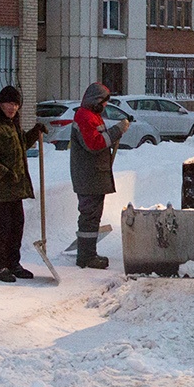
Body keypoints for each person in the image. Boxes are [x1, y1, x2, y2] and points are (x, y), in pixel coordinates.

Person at [0, 85, 45, 282]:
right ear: (0, 104)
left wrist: (34, 133)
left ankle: (13, 263)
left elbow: (20, 146)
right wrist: (2, 172)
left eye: (15, 104)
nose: (12, 108)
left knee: (17, 225)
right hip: (0, 187)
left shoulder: (11, 124)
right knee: (2, 228)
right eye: (8, 104)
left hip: (15, 186)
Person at [68, 82, 128, 269]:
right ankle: (86, 257)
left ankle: (88, 253)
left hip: (93, 175)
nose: (105, 107)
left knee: (92, 216)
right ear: (96, 101)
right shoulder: (85, 117)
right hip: (89, 176)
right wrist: (118, 130)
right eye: (103, 103)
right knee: (89, 215)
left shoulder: (92, 116)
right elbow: (95, 144)